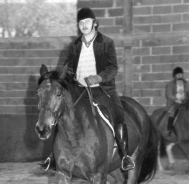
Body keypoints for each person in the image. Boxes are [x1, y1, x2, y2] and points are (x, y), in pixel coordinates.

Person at [39, 7, 135, 172]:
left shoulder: (106, 43)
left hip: (102, 89)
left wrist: (97, 78)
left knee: (117, 113)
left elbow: (113, 68)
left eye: (87, 22)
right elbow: (69, 67)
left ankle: (124, 155)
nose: (83, 25)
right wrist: (61, 76)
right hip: (78, 89)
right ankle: (53, 156)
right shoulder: (75, 45)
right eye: (81, 23)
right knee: (59, 112)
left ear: (94, 23)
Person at [165, 66, 189, 136]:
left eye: (181, 74)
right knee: (172, 113)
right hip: (175, 103)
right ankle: (169, 130)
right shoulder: (170, 84)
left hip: (185, 102)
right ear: (175, 75)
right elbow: (169, 94)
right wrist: (176, 99)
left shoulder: (187, 83)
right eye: (178, 74)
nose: (179, 75)